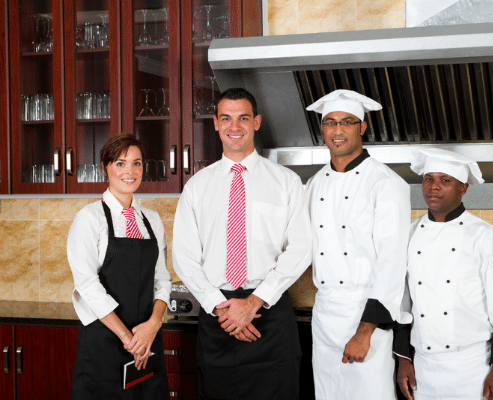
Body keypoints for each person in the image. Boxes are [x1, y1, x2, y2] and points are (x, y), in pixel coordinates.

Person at [172, 87, 312, 400]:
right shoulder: (196, 186)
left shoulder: (286, 182)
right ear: (216, 123)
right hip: (217, 316)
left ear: (257, 122)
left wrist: (254, 302)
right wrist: (219, 306)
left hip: (269, 312)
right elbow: (184, 256)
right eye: (226, 118)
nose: (234, 126)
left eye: (243, 118)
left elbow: (301, 248)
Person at [396, 148, 493, 400]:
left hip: (473, 368)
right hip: (423, 369)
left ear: (463, 188)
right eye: (428, 179)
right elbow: (401, 302)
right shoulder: (409, 233)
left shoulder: (486, 235)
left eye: (445, 180)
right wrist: (404, 360)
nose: (433, 187)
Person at [305, 89, 411, 400]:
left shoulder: (385, 183)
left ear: (362, 127)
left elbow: (392, 261)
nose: (337, 130)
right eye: (330, 122)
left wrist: (364, 332)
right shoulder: (313, 184)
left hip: (367, 318)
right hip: (325, 317)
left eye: (347, 122)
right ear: (322, 128)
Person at [68, 134, 171, 399]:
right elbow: (87, 285)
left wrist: (153, 325)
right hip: (106, 340)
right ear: (106, 167)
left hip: (147, 340)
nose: (130, 171)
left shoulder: (152, 220)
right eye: (121, 163)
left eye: (137, 163)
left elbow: (162, 279)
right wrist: (128, 338)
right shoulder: (89, 218)